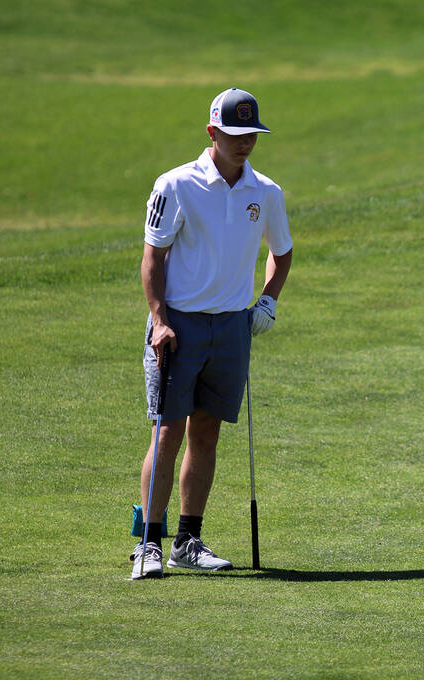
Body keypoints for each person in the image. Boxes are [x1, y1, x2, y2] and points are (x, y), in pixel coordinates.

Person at [130, 88, 294, 579]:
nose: (244, 143)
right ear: (212, 133)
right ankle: (148, 543)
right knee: (168, 432)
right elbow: (153, 257)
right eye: (235, 133)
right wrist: (159, 319)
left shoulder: (265, 192)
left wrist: (267, 300)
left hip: (231, 326)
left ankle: (187, 540)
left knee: (206, 432)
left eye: (252, 134)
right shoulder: (176, 185)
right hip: (177, 326)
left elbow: (281, 253)